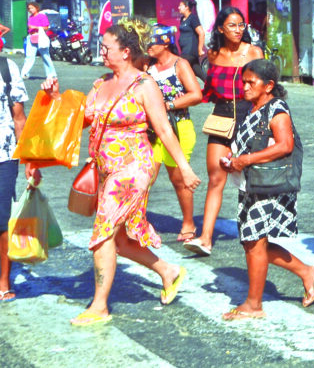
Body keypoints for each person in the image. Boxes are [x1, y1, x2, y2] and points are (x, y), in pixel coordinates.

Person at [41, 19, 201, 326]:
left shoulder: (145, 85)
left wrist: (184, 167)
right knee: (122, 240)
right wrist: (56, 98)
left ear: (125, 51)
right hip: (106, 169)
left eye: (106, 47)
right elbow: (80, 119)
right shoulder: (102, 83)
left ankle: (99, 305)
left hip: (133, 170)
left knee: (103, 233)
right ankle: (169, 271)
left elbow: (164, 129)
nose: (101, 51)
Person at [219, 59, 314, 320]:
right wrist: (233, 157)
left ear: (269, 85)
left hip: (270, 185)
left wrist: (247, 160)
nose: (245, 86)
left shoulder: (276, 109)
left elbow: (285, 145)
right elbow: (252, 143)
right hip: (251, 183)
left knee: (254, 242)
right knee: (252, 242)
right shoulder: (252, 108)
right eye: (244, 81)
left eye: (251, 82)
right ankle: (307, 272)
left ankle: (254, 305)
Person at [185, 7, 264, 257]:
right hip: (221, 117)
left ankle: (259, 236)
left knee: (254, 180)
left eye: (242, 25)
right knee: (216, 178)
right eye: (232, 25)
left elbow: (266, 90)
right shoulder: (213, 54)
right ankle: (205, 238)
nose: (239, 30)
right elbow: (208, 89)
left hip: (248, 115)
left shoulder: (254, 52)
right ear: (220, 28)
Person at [146, 25, 203, 242]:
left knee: (178, 179)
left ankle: (188, 223)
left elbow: (196, 95)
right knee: (146, 177)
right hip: (151, 130)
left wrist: (168, 105)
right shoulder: (147, 65)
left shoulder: (180, 64)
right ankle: (137, 220)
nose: (148, 47)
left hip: (178, 126)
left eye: (152, 42)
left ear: (166, 42)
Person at [0, 55, 41, 303]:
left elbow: (19, 118)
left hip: (3, 156)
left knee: (2, 219)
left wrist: (29, 160)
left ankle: (3, 280)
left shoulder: (7, 67)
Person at [21, 2, 57, 80]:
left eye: (32, 8)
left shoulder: (42, 16)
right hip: (31, 37)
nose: (30, 10)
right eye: (29, 8)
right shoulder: (30, 17)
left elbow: (46, 28)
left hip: (40, 38)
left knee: (45, 56)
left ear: (37, 8)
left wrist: (36, 27)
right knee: (29, 56)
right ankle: (24, 73)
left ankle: (51, 74)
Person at [177, 0, 206, 81]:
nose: (179, 7)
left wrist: (200, 49)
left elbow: (201, 33)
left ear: (186, 7)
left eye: (180, 6)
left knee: (180, 68)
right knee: (197, 71)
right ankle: (211, 86)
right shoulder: (182, 19)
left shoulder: (192, 18)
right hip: (184, 50)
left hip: (190, 51)